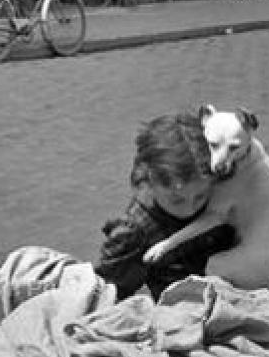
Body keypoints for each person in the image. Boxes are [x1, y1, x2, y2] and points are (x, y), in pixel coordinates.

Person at [94, 112, 236, 301]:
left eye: (201, 196)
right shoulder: (134, 233)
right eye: (177, 200)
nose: (190, 209)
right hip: (184, 316)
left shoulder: (226, 193)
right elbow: (108, 296)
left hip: (243, 293)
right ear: (149, 180)